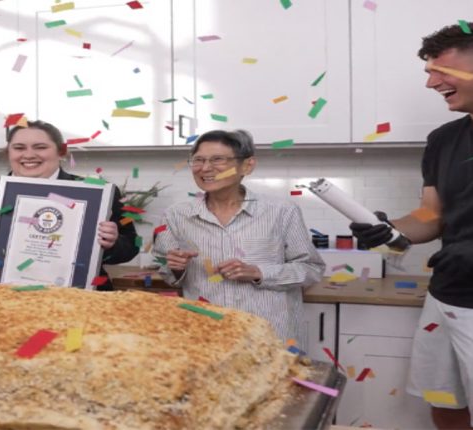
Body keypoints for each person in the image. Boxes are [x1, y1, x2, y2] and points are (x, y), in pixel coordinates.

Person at [349, 23, 473, 429]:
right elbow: (430, 216)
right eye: (428, 72)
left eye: (442, 71)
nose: (431, 83)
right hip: (446, 296)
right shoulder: (443, 140)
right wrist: (388, 230)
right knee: (445, 403)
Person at [152, 129, 324, 346]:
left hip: (269, 337)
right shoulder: (176, 215)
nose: (205, 168)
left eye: (218, 159)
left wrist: (258, 272)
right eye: (198, 160)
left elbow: (311, 269)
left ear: (247, 165)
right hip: (206, 336)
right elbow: (166, 272)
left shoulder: (282, 211)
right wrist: (176, 268)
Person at [0, 120, 138, 290]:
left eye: (40, 147)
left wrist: (113, 244)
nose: (29, 155)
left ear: (61, 151)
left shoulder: (98, 193)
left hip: (79, 302)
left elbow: (131, 247)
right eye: (19, 148)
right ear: (9, 152)